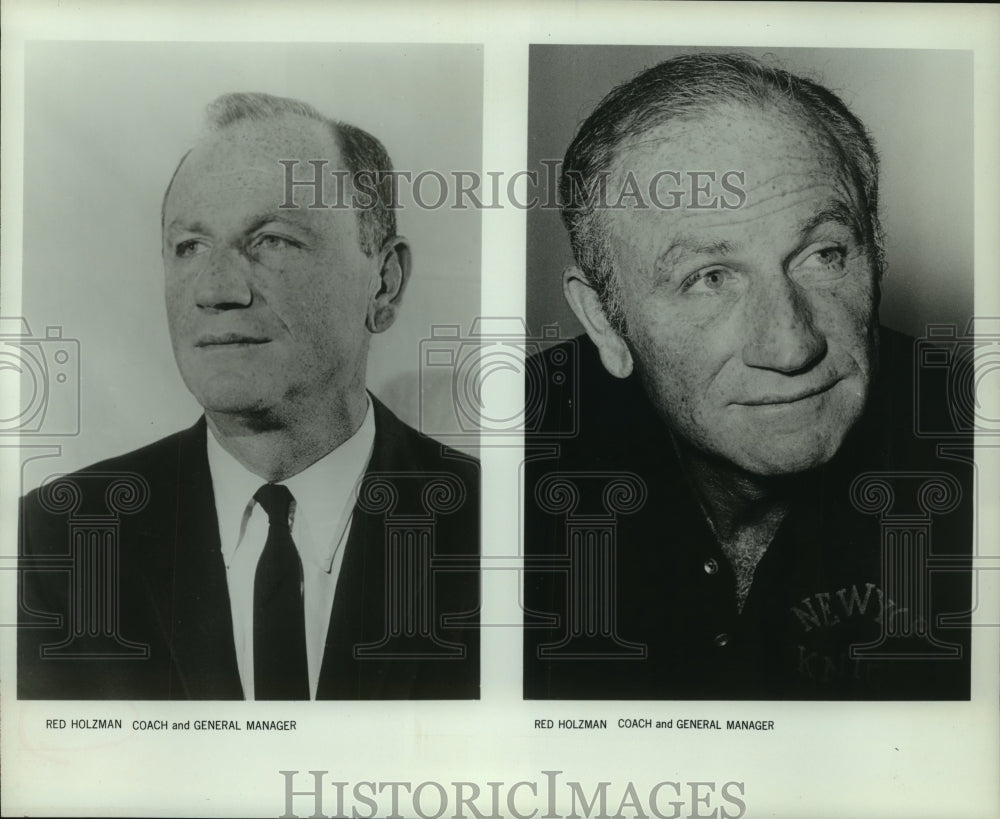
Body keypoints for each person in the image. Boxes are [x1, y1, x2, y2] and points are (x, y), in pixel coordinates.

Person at [523, 53, 972, 699]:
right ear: (604, 321)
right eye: (710, 278)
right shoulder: (497, 466)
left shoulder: (971, 446)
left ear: (876, 253)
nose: (791, 345)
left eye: (823, 254)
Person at [18, 92, 479, 700]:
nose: (215, 291)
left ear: (384, 283)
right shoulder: (58, 540)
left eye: (273, 240)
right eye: (189, 247)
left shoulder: (500, 532)